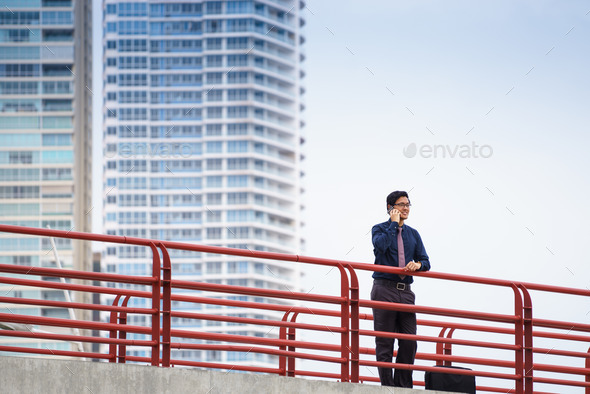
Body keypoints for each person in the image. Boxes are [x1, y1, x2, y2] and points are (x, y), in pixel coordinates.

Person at [371, 190, 431, 387]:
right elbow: (381, 247)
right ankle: (387, 387)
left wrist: (418, 266)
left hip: (405, 291)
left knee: (409, 341)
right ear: (390, 208)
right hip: (384, 289)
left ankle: (403, 387)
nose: (405, 208)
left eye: (408, 204)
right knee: (385, 342)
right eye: (401, 204)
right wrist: (393, 224)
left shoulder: (413, 234)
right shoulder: (379, 229)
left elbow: (426, 261)